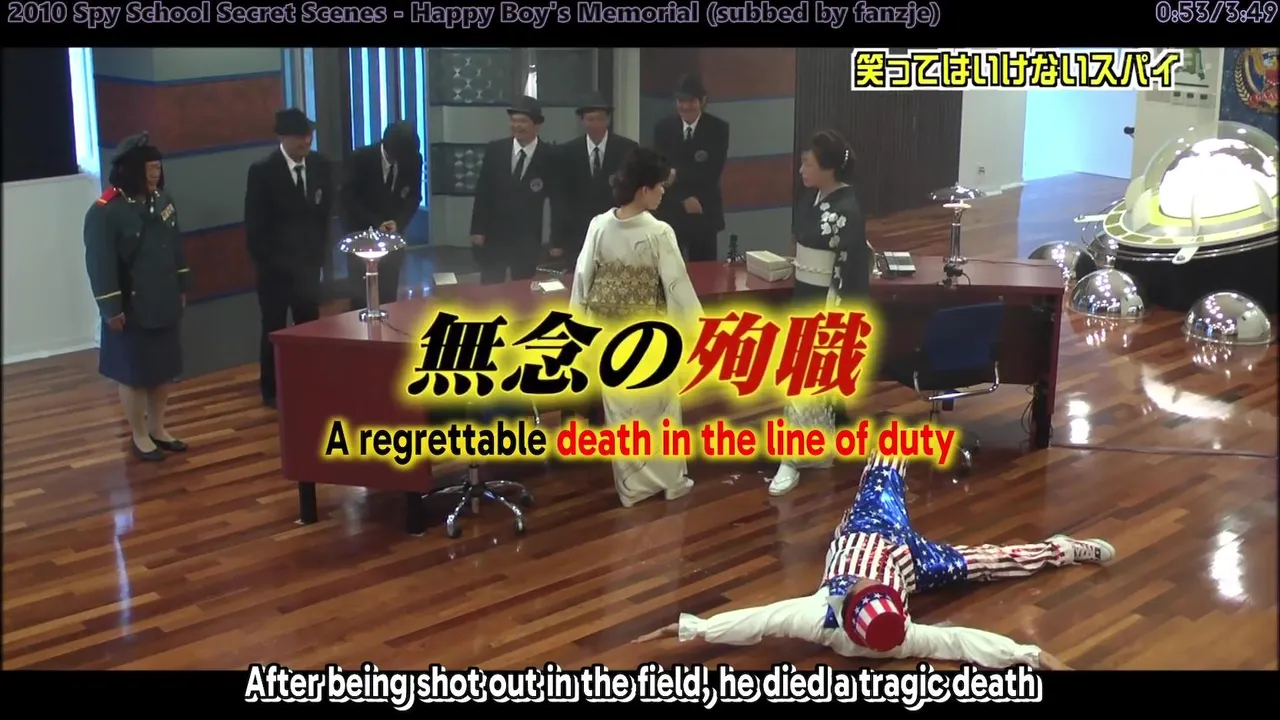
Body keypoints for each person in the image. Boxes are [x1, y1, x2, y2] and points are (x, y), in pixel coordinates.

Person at [634, 452, 1114, 669]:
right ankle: (1063, 549)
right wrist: (1030, 655)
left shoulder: (816, 617)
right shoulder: (901, 639)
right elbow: (962, 642)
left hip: (866, 527)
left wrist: (688, 628)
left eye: (860, 589)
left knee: (885, 463)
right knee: (992, 561)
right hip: (909, 559)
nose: (860, 580)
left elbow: (755, 622)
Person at [568, 148, 703, 507]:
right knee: (660, 410)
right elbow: (677, 286)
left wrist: (578, 330)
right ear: (644, 189)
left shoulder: (599, 225)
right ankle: (671, 482)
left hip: (610, 335)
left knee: (623, 414)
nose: (663, 192)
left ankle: (633, 488)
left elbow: (582, 280)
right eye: (660, 186)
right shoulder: (659, 232)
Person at [767, 129, 872, 496]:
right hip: (804, 291)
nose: (801, 170)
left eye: (807, 164)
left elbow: (852, 267)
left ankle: (792, 459)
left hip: (826, 299)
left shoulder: (847, 210)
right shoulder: (812, 200)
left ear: (828, 168)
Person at [84, 132, 190, 462]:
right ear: (132, 170)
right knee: (134, 375)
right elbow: (100, 265)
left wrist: (182, 285)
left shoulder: (164, 200)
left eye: (158, 167)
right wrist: (111, 308)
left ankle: (158, 428)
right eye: (149, 168)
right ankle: (139, 434)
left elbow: (175, 247)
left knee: (162, 371)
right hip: (131, 307)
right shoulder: (106, 211)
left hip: (163, 300)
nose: (156, 173)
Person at [244, 108, 334, 409]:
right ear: (282, 137)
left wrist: (318, 259)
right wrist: (275, 263)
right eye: (299, 136)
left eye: (309, 135)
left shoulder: (321, 166)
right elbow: (255, 227)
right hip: (275, 271)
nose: (306, 141)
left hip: (308, 268)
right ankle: (272, 389)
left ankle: (309, 382)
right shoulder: (263, 172)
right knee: (274, 327)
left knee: (309, 325)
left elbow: (324, 217)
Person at [550, 92, 639, 270]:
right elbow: (559, 198)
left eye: (600, 119)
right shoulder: (567, 152)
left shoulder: (627, 149)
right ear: (582, 121)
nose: (595, 124)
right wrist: (557, 240)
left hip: (617, 231)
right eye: (590, 119)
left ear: (608, 120)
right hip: (578, 235)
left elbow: (634, 194)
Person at [470, 96, 552, 285]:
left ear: (537, 125)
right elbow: (483, 192)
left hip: (527, 237)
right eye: (513, 120)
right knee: (490, 286)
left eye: (523, 121)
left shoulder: (549, 155)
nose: (517, 126)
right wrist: (477, 229)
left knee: (522, 288)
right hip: (494, 234)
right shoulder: (496, 150)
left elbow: (558, 200)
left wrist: (557, 239)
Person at [340, 121, 423, 309]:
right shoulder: (360, 158)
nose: (403, 161)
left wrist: (398, 222)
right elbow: (348, 199)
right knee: (361, 297)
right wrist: (377, 223)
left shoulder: (413, 159)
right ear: (387, 147)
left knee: (388, 295)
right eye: (399, 157)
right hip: (362, 235)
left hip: (392, 239)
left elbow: (414, 197)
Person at [652, 74, 729, 262]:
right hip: (671, 212)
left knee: (705, 272)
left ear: (703, 101)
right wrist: (683, 198)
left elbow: (711, 172)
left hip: (703, 212)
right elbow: (661, 172)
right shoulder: (663, 128)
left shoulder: (718, 129)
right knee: (669, 269)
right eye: (681, 101)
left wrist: (676, 173)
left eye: (691, 101)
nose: (685, 106)